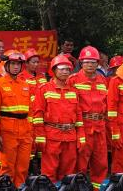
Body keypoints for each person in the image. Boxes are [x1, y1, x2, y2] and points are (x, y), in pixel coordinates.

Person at [32, 54, 84, 182]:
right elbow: (37, 116)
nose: (65, 72)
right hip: (52, 137)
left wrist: (81, 137)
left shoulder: (74, 91)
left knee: (68, 173)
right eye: (62, 68)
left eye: (67, 69)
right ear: (54, 70)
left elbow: (78, 116)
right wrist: (40, 137)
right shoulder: (44, 89)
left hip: (70, 137)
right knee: (49, 173)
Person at [69, 47, 109, 191]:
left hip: (99, 127)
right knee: (80, 164)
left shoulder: (102, 80)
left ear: (98, 63)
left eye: (93, 62)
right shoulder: (73, 80)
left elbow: (106, 105)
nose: (90, 65)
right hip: (83, 126)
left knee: (101, 164)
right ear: (81, 62)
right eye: (87, 62)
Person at [0, 50, 32, 187]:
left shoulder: (25, 85)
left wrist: (30, 131)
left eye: (18, 64)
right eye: (13, 64)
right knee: (7, 168)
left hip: (24, 131)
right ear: (6, 65)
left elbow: (31, 111)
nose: (16, 67)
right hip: (7, 131)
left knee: (23, 168)